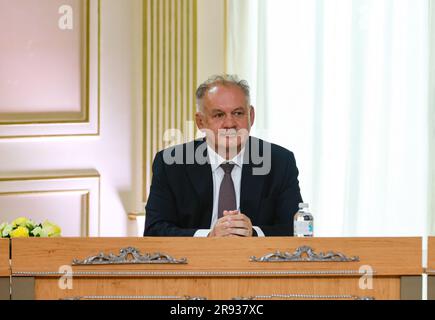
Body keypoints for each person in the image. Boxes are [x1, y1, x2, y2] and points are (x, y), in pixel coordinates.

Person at [144, 75, 303, 237]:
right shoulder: (171, 163)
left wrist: (253, 233)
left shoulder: (280, 162)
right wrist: (208, 236)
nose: (230, 123)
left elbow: (295, 229)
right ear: (200, 122)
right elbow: (154, 230)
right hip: (194, 260)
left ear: (251, 116)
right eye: (219, 115)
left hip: (258, 260)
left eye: (238, 113)